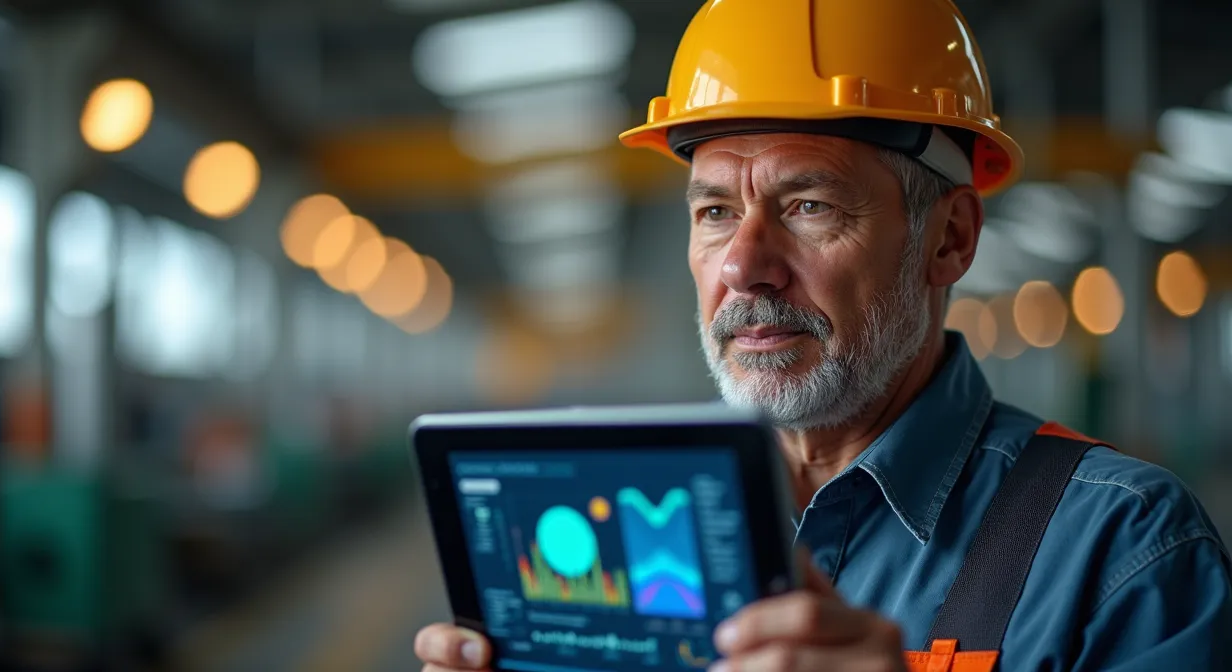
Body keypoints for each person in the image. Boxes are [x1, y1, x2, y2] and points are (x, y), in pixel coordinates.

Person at [414, 0, 1232, 670]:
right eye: (715, 212)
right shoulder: (643, 530)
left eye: (809, 206)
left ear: (949, 239)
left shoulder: (1121, 551)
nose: (744, 265)